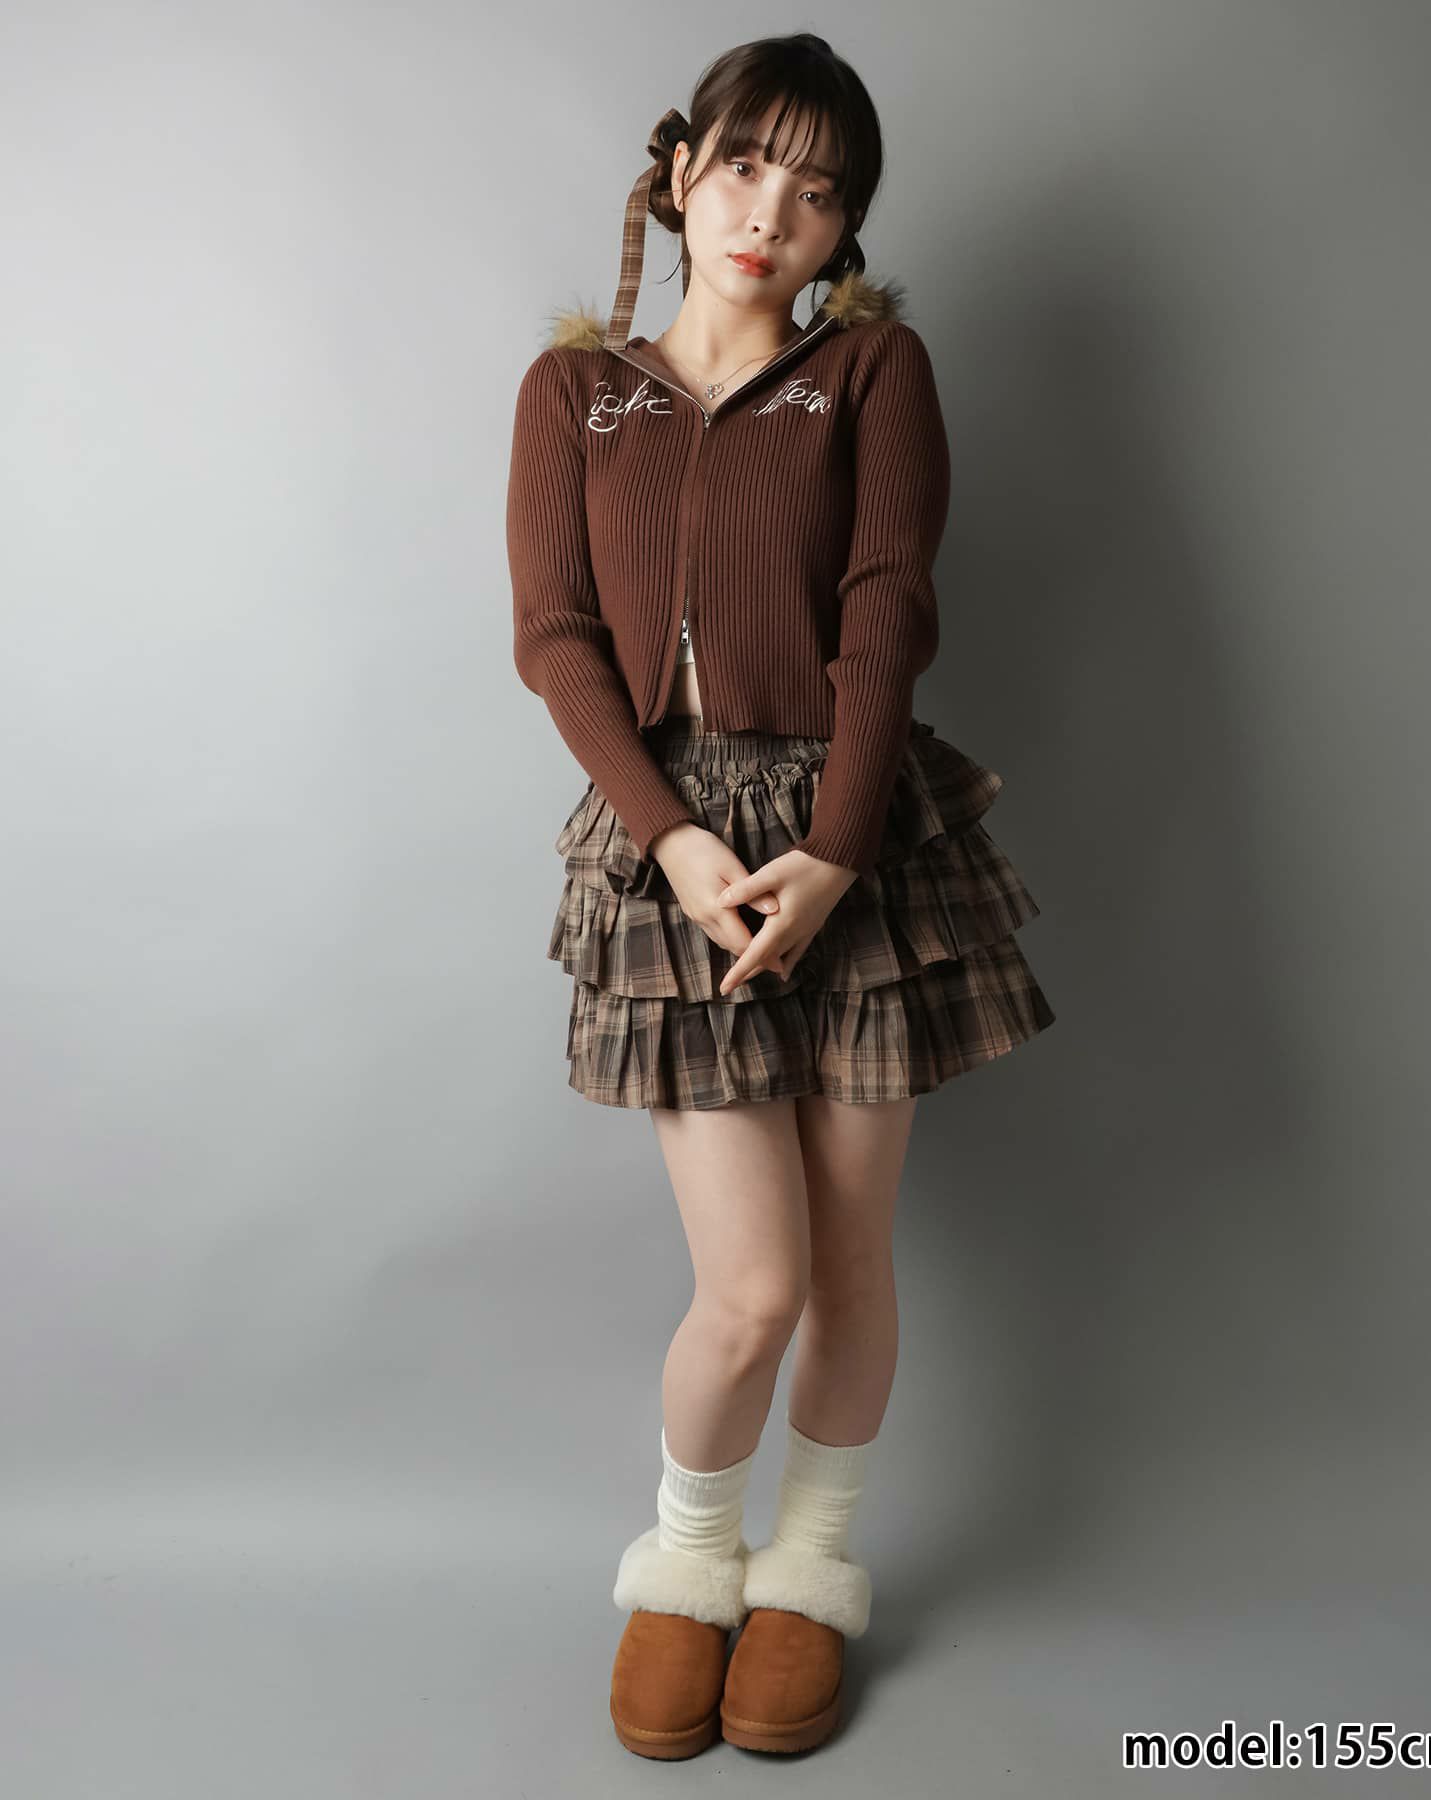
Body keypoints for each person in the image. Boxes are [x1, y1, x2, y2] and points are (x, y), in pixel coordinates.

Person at [505, 32, 1056, 1759]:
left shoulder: (871, 372)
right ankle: (689, 1566)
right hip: (676, 844)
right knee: (750, 1289)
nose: (771, 214)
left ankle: (810, 1569)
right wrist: (673, 840)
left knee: (847, 1259)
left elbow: (890, 606)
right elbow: (556, 638)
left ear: (846, 226)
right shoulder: (575, 396)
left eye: (819, 192)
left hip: (851, 836)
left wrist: (835, 845)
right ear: (683, 172)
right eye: (747, 168)